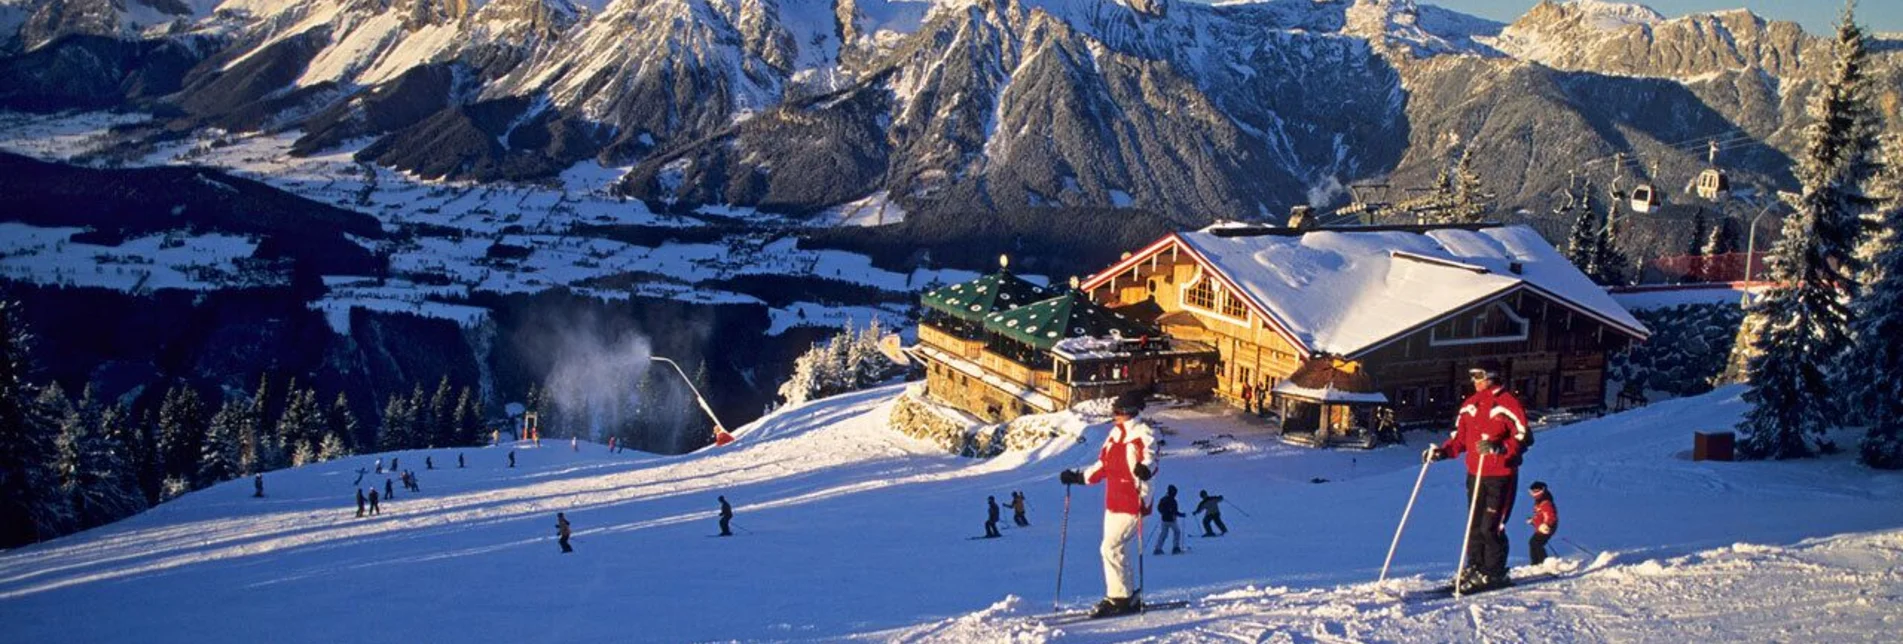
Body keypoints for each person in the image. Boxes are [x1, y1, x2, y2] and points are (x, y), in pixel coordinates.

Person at [1424, 359, 1530, 594]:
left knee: (1491, 526)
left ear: (1491, 376)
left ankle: (1494, 572)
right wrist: (1442, 452)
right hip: (1475, 472)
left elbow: (1523, 436)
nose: (1474, 380)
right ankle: (1476, 567)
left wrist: (1500, 447)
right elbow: (1459, 439)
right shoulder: (1470, 405)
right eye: (1472, 376)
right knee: (1474, 524)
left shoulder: (1507, 403)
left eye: (1478, 375)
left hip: (1500, 474)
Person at [1057, 390, 1157, 618]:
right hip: (1113, 500)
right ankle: (1127, 594)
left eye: (1118, 412)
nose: (1114, 415)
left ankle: (1119, 598)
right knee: (1115, 548)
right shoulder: (1114, 434)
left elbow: (1151, 457)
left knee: (1110, 547)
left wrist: (1146, 469)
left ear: (1129, 413)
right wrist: (1079, 476)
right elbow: (1103, 465)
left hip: (1134, 499)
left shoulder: (1144, 433)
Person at [1527, 481, 1558, 565]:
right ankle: (1537, 563)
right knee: (1534, 542)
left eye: (1536, 491)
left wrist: (1547, 525)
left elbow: (1551, 516)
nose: (1534, 494)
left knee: (1535, 543)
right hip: (1541, 527)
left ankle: (1542, 562)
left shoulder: (1545, 502)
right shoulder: (1539, 501)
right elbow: (1539, 516)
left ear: (1542, 490)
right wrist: (1533, 520)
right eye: (1532, 492)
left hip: (1546, 528)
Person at [1154, 485, 1184, 555]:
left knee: (1164, 534)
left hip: (1164, 519)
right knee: (1177, 532)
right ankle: (1175, 548)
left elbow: (1159, 508)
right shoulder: (1172, 501)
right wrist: (1179, 514)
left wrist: (1165, 512)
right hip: (1171, 520)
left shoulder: (1164, 499)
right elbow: (1174, 511)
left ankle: (1158, 548)